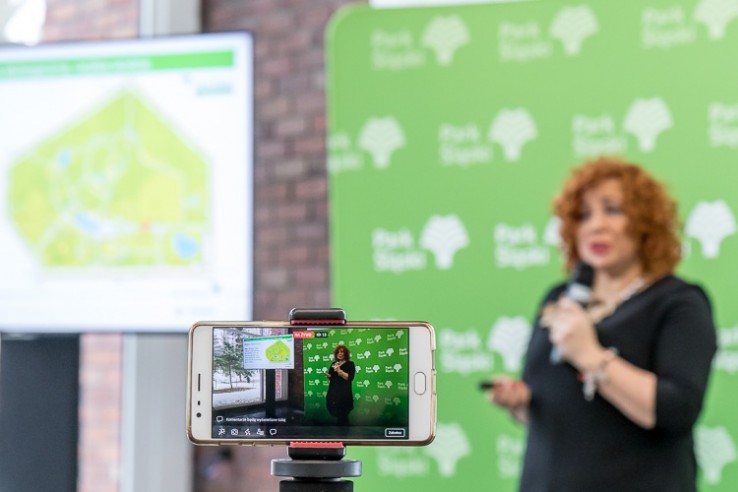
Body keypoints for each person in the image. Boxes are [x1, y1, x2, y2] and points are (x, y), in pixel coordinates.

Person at [486, 156, 717, 492]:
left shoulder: (677, 302)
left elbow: (677, 410)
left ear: (644, 222)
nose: (596, 225)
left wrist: (591, 356)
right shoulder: (560, 298)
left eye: (612, 210)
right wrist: (521, 404)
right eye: (583, 215)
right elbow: (568, 411)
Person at [326, 344, 356, 425]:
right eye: (338, 352)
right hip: (333, 392)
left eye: (342, 352)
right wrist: (329, 376)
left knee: (343, 415)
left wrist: (339, 370)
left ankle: (344, 430)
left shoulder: (350, 364)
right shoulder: (334, 363)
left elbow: (349, 378)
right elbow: (332, 377)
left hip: (344, 393)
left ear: (345, 354)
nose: (339, 353)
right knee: (336, 412)